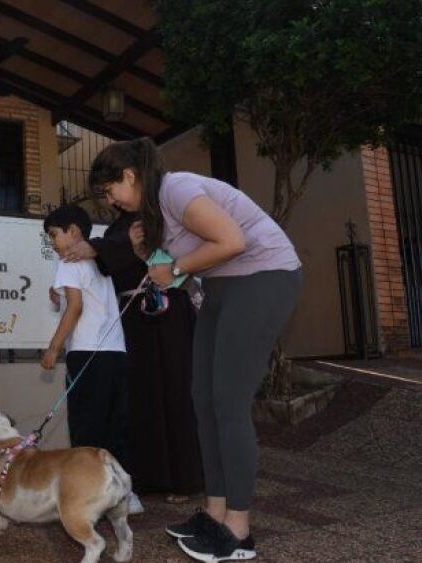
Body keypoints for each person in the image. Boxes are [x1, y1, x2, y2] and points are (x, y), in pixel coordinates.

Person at [89, 138, 302, 562]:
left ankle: (238, 531)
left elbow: (231, 241)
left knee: (228, 403)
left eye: (109, 190)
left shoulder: (176, 189)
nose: (110, 200)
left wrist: (178, 266)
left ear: (129, 176)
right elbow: (169, 279)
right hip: (225, 286)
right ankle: (215, 511)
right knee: (202, 400)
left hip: (265, 276)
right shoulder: (154, 214)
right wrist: (144, 252)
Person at [60, 208, 204, 505]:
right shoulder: (120, 225)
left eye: (111, 187)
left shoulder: (158, 213)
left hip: (166, 313)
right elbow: (108, 264)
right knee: (140, 398)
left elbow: (139, 252)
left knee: (174, 393)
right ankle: (148, 477)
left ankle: (184, 478)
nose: (108, 197)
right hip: (135, 322)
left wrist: (99, 247)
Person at [41, 204, 129, 485]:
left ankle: (85, 491)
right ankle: (123, 492)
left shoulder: (68, 261)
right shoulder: (101, 261)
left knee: (86, 428)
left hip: (86, 353)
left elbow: (76, 307)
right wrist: (62, 298)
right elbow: (86, 300)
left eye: (54, 235)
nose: (53, 243)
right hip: (115, 353)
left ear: (74, 232)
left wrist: (54, 347)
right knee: (114, 426)